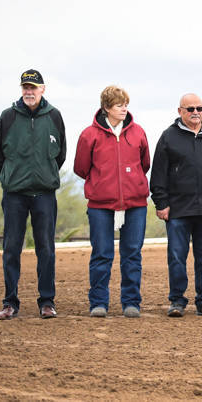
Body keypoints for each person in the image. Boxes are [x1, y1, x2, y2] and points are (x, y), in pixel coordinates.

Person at [150, 93, 202, 317]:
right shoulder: (169, 137)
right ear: (180, 111)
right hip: (177, 210)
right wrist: (161, 202)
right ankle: (177, 300)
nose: (195, 112)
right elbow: (158, 173)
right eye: (190, 109)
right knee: (177, 256)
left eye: (199, 108)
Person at [0, 69, 67, 320]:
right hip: (14, 194)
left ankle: (47, 301)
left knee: (45, 248)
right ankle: (10, 302)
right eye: (25, 87)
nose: (28, 91)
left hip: (44, 194)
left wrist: (46, 175)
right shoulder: (7, 116)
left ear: (42, 89)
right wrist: (8, 178)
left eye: (33, 87)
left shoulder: (54, 116)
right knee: (12, 248)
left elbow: (61, 153)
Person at [73, 85, 151, 318]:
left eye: (126, 104)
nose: (124, 109)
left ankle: (131, 302)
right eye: (119, 105)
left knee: (132, 254)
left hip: (135, 203)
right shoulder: (89, 135)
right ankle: (98, 303)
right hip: (100, 205)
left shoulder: (138, 132)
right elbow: (81, 167)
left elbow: (144, 163)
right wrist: (103, 182)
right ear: (106, 108)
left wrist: (131, 182)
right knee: (101, 254)